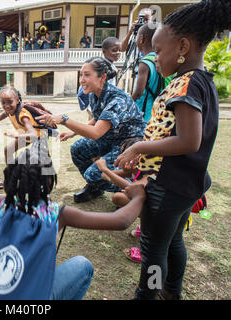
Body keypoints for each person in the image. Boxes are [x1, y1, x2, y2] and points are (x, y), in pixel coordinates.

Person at [0, 148, 147, 300]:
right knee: (83, 265)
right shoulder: (58, 214)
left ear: (11, 180)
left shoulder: (1, 203)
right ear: (50, 184)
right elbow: (120, 221)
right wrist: (139, 196)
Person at [114, 0, 230, 300]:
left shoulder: (184, 85)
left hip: (167, 189)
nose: (155, 57)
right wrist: (143, 152)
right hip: (187, 186)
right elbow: (174, 134)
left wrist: (139, 145)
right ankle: (171, 293)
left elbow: (189, 141)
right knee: (173, 242)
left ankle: (147, 295)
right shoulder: (203, 81)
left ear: (183, 47)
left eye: (159, 50)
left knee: (153, 250)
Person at [36, 57, 146, 203]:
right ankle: (96, 187)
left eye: (87, 75)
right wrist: (72, 133)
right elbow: (98, 118)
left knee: (93, 173)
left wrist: (64, 120)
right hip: (110, 138)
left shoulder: (118, 99)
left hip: (127, 144)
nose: (81, 80)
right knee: (78, 148)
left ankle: (129, 190)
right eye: (81, 75)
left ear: (103, 77)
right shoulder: (95, 94)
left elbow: (96, 133)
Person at [0, 86, 53, 188]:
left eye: (10, 102)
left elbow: (33, 134)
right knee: (8, 150)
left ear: (17, 100)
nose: (6, 106)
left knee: (43, 161)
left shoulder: (23, 116)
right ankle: (10, 177)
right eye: (3, 102)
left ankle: (48, 183)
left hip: (39, 136)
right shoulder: (10, 110)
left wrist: (17, 135)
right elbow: (5, 114)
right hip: (25, 136)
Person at [131, 24, 162, 122]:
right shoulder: (161, 59)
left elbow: (138, 93)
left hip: (144, 113)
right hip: (158, 111)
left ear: (141, 38)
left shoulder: (145, 63)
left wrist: (127, 102)